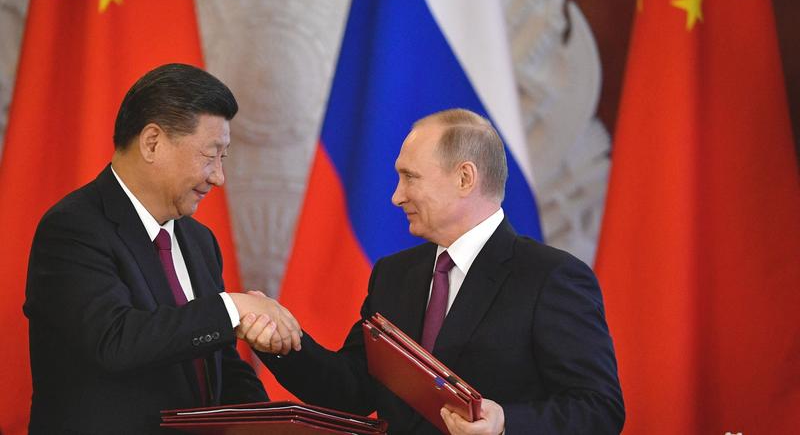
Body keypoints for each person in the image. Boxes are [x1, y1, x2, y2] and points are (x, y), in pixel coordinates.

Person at [239, 108, 624, 434]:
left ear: (464, 178)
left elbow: (599, 408)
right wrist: (283, 344)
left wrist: (505, 422)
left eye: (410, 177)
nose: (396, 196)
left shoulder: (550, 277)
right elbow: (352, 388)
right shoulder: (394, 275)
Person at [23, 63, 301, 434]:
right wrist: (231, 307)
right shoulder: (72, 228)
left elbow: (219, 361)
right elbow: (115, 340)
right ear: (152, 142)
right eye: (210, 154)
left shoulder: (199, 241)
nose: (219, 176)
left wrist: (266, 423)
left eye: (224, 157)